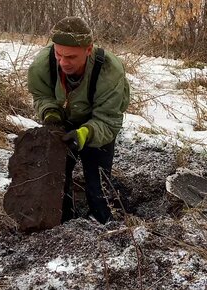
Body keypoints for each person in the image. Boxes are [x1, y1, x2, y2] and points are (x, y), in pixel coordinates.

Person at [27, 16, 130, 224]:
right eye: (59, 54)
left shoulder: (109, 71)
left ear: (89, 49)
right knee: (57, 181)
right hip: (64, 123)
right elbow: (41, 96)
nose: (64, 62)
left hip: (97, 127)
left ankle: (102, 222)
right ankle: (64, 220)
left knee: (98, 187)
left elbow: (109, 120)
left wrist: (84, 134)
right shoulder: (42, 65)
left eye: (72, 57)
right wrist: (51, 114)